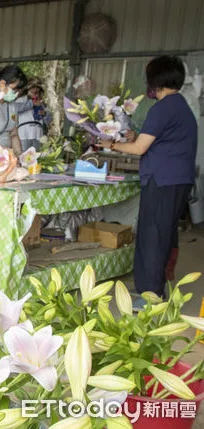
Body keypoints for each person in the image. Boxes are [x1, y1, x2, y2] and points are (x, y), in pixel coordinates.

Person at [97, 56, 197, 310]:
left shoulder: (161, 108)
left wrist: (112, 144)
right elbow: (156, 140)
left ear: (155, 81)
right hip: (177, 180)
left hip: (162, 180)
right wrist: (133, 136)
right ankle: (152, 287)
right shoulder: (180, 105)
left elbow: (141, 148)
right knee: (163, 234)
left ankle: (151, 295)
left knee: (153, 236)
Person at [16, 78, 51, 152]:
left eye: (37, 91)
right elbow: (16, 109)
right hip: (24, 133)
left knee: (37, 159)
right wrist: (32, 103)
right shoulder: (21, 100)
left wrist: (44, 114)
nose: (35, 91)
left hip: (38, 134)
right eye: (32, 90)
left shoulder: (42, 104)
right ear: (27, 90)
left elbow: (49, 120)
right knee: (23, 158)